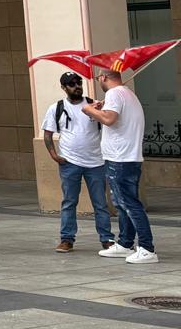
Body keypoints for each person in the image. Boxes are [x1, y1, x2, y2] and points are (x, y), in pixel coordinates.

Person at [85, 68, 157, 263]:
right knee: (122, 203)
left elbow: (109, 119)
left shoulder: (114, 93)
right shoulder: (127, 93)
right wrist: (100, 108)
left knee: (128, 203)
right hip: (126, 157)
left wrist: (89, 109)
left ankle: (147, 247)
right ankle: (125, 243)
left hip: (120, 158)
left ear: (103, 78)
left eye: (98, 77)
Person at [42, 71, 113, 253]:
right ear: (64, 88)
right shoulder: (56, 108)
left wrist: (103, 108)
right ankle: (67, 239)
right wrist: (54, 155)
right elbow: (48, 134)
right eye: (72, 84)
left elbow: (110, 122)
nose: (77, 86)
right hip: (69, 162)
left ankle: (107, 239)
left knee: (100, 203)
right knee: (69, 202)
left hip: (96, 162)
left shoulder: (93, 104)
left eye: (78, 82)